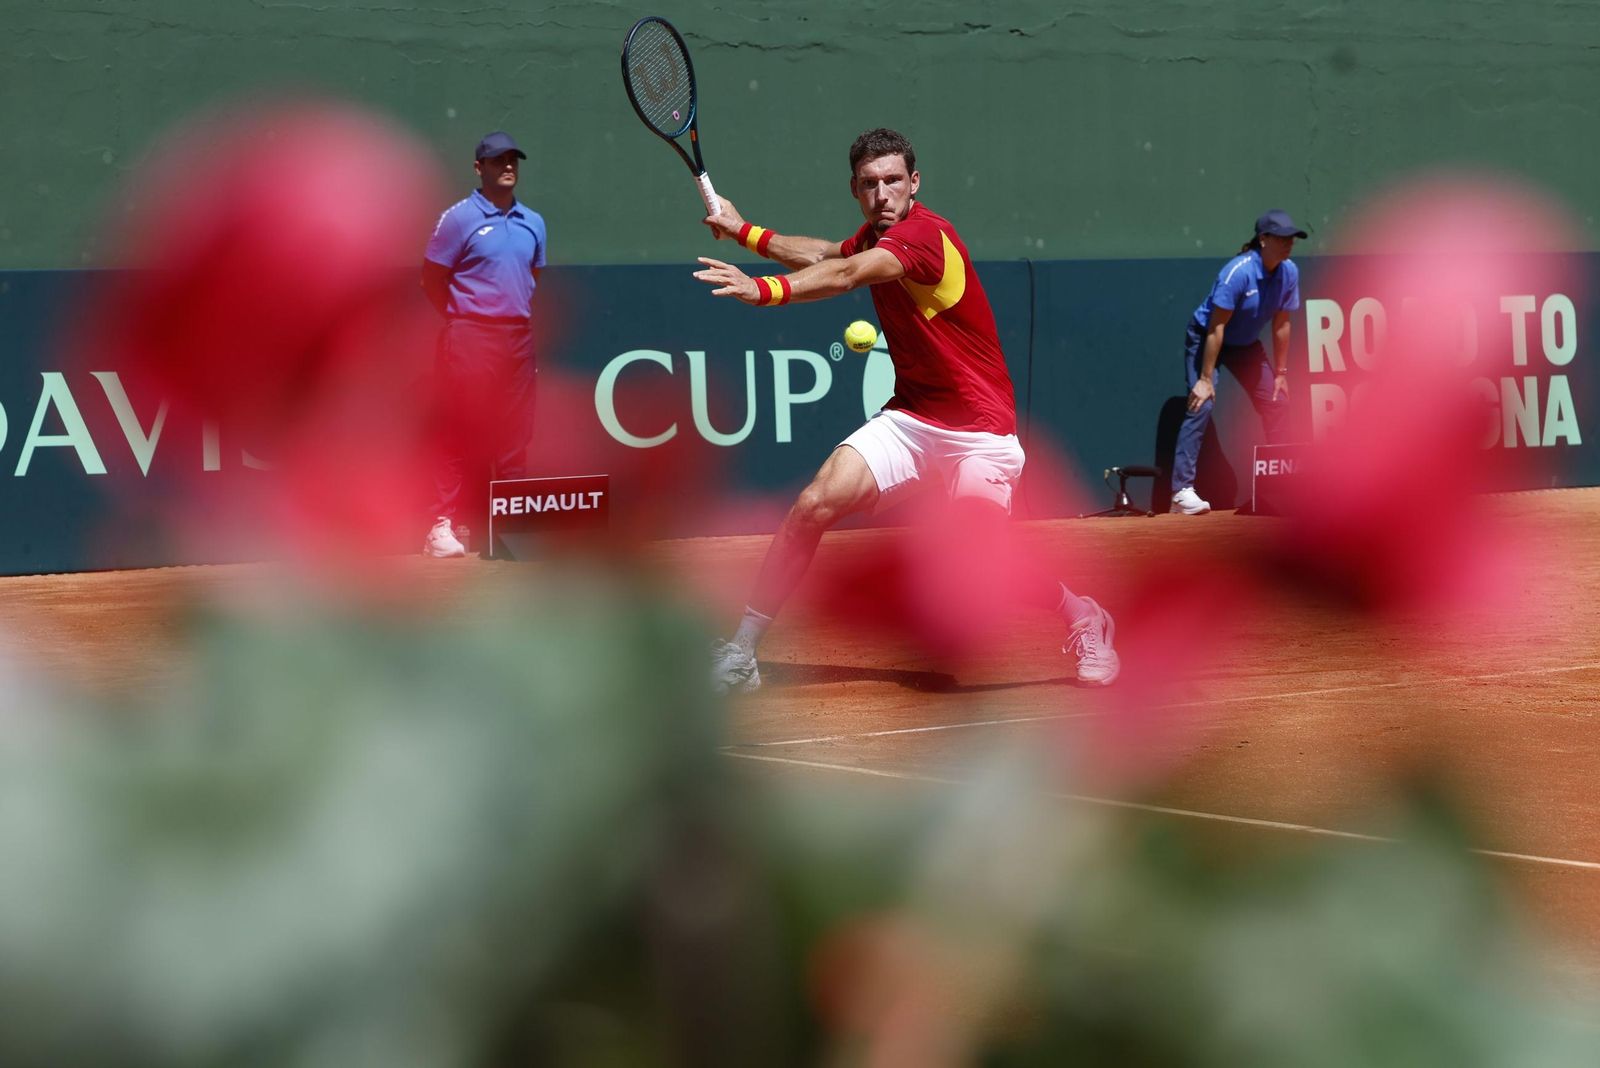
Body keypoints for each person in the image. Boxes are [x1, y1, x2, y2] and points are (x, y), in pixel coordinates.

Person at [693, 127, 1119, 692]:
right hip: (913, 419)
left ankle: (1083, 614)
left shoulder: (924, 237)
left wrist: (764, 290)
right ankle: (743, 653)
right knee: (813, 505)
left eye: (893, 180)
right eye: (870, 184)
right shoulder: (874, 235)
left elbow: (845, 275)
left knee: (979, 567)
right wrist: (744, 230)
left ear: (914, 183)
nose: (882, 193)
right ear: (855, 190)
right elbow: (828, 253)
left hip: (980, 432)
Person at [419, 131, 547, 556]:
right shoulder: (457, 219)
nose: (507, 166)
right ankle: (441, 527)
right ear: (480, 168)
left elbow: (533, 279)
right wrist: (466, 318)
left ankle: (510, 528)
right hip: (470, 335)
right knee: (460, 429)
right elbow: (432, 279)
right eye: (497, 161)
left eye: (513, 159)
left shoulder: (535, 222)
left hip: (518, 338)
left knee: (515, 434)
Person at [1169, 209, 1305, 515]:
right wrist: (1205, 380)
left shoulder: (1289, 272)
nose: (1289, 244)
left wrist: (1281, 373)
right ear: (1263, 239)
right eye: (1282, 238)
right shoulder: (1238, 272)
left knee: (1277, 401)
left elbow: (1282, 324)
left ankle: (1281, 489)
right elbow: (1216, 328)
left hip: (1245, 345)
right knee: (1200, 403)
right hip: (1208, 338)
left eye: (1292, 239)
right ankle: (1180, 493)